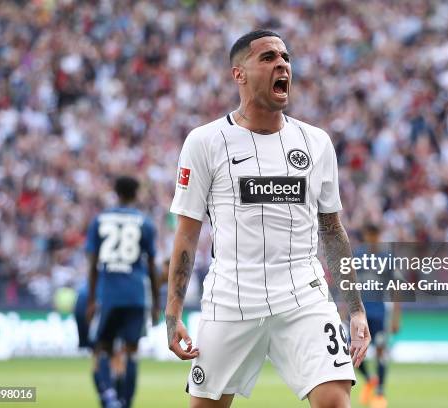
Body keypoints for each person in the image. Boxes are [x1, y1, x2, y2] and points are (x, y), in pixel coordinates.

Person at [165, 29, 370, 408]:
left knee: (334, 401)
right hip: (231, 299)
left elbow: (332, 228)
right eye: (268, 57)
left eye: (286, 58)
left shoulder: (316, 142)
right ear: (238, 74)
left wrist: (355, 308)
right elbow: (187, 234)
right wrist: (172, 313)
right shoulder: (205, 142)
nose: (282, 64)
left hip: (302, 296)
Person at [86, 176, 159, 408]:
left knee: (102, 350)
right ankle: (126, 402)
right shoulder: (144, 223)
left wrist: (90, 299)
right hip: (136, 295)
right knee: (131, 351)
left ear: (115, 193)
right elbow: (151, 266)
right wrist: (156, 303)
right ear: (136, 194)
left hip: (109, 295)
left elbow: (92, 264)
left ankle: (109, 399)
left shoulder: (99, 220)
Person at [354, 225, 401, 408]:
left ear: (378, 236)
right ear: (365, 235)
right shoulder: (357, 256)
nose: (371, 238)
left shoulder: (386, 259)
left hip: (379, 314)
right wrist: (344, 310)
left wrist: (396, 316)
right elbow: (349, 285)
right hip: (360, 314)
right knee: (354, 353)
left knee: (381, 351)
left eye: (374, 235)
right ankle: (369, 379)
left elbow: (396, 288)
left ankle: (380, 393)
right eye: (368, 235)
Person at [74, 281, 127, 407]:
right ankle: (117, 400)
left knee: (97, 355)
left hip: (82, 299)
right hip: (103, 299)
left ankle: (105, 398)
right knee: (117, 355)